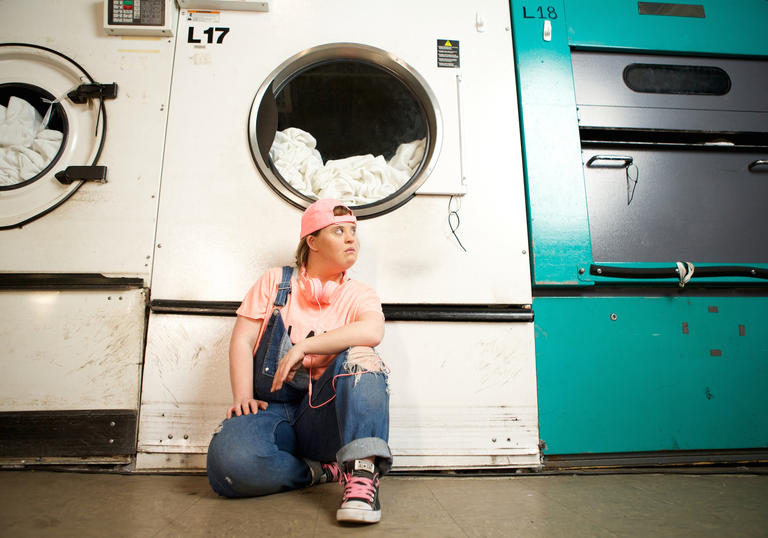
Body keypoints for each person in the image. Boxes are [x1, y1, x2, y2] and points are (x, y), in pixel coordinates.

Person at [206, 198, 391, 524]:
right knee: (228, 466)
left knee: (362, 356)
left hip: (325, 421)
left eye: (353, 231)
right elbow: (243, 338)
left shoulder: (359, 294)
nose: (351, 238)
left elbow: (373, 329)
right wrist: (242, 397)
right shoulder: (275, 282)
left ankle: (362, 474)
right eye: (339, 231)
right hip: (273, 411)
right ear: (312, 241)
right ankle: (317, 472)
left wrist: (303, 348)